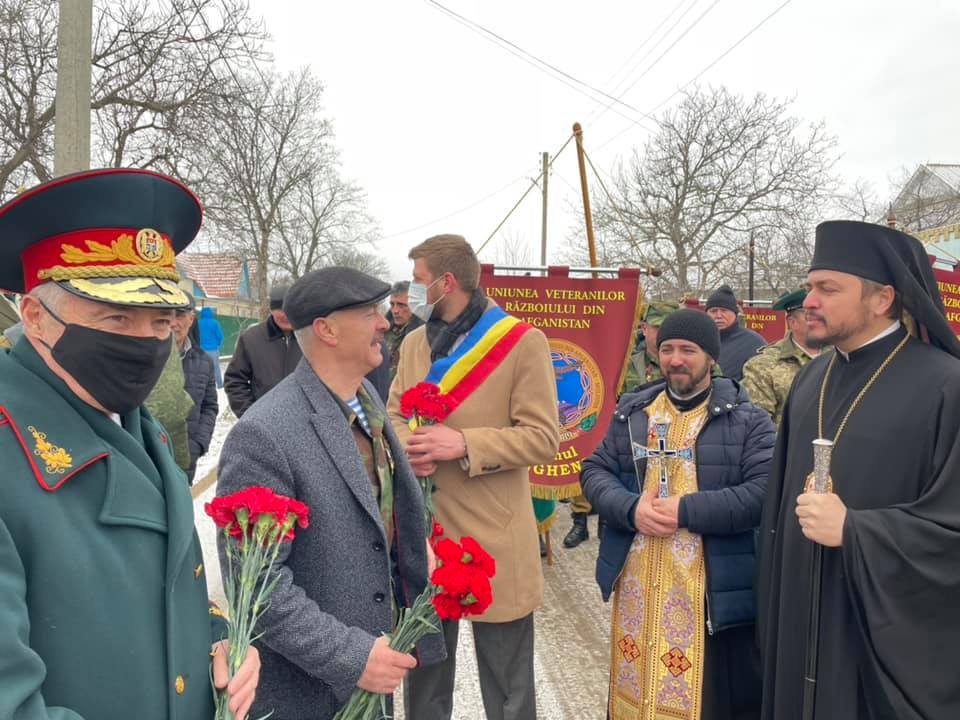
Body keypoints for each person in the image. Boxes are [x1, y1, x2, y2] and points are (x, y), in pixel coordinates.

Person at [0, 168, 259, 719]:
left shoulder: (143, 429)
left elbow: (159, 583)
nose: (145, 343)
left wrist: (220, 642)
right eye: (116, 315)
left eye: (162, 321)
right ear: (34, 317)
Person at [216, 266, 444, 720]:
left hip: (372, 670)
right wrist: (353, 657)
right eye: (368, 312)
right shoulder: (265, 434)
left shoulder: (365, 399)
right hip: (311, 693)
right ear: (327, 329)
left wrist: (410, 543)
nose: (384, 322)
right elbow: (256, 586)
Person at [758, 221, 960, 720]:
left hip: (881, 642)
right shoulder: (810, 379)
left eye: (828, 288)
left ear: (882, 298)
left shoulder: (945, 386)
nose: (809, 300)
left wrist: (857, 530)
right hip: (801, 615)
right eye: (809, 286)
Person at [387, 234, 560, 720]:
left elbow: (543, 437)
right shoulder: (417, 341)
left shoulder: (522, 341)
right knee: (424, 685)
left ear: (446, 282)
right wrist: (407, 447)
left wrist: (466, 444)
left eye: (419, 282)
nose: (412, 294)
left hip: (495, 535)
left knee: (510, 691)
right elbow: (395, 412)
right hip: (428, 534)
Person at [582, 308, 774, 720]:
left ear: (711, 356)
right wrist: (632, 508)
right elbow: (594, 472)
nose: (675, 359)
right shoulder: (634, 413)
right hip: (638, 582)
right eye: (667, 348)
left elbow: (763, 492)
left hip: (708, 590)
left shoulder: (748, 419)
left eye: (688, 349)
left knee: (709, 700)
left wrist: (686, 510)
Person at [565, 301, 683, 550]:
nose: (661, 333)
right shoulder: (625, 359)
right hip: (626, 434)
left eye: (667, 327)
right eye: (656, 327)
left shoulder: (683, 362)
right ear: (644, 328)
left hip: (673, 438)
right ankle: (584, 522)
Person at [741, 288, 822, 428]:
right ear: (792, 322)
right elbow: (757, 427)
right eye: (810, 315)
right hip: (789, 447)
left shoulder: (841, 355)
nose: (819, 320)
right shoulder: (763, 365)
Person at [224, 283, 302, 418]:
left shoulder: (312, 339)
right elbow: (235, 381)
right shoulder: (251, 339)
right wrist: (250, 416)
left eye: (290, 309)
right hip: (264, 423)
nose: (285, 315)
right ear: (271, 310)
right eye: (280, 309)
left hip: (304, 424)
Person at [170, 294, 218, 483]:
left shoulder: (203, 361)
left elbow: (209, 406)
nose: (173, 322)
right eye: (167, 315)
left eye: (180, 315)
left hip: (185, 458)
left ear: (191, 319)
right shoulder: (142, 358)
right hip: (145, 457)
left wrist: (197, 444)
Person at [144, 331, 194, 473]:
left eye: (161, 320)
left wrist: (195, 446)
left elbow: (175, 407)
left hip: (174, 460)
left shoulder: (166, 340)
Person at [705, 285, 765, 381]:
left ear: (735, 313)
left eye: (724, 310)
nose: (719, 315)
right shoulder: (697, 340)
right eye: (713, 311)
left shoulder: (754, 343)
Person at [385, 280, 423, 379]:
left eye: (402, 305)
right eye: (392, 304)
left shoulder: (425, 335)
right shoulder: (382, 332)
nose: (395, 311)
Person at [197, 304, 224, 387]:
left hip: (201, 350)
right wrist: (218, 345)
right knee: (216, 367)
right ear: (211, 313)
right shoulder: (215, 323)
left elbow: (195, 335)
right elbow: (220, 336)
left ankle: (201, 384)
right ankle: (219, 384)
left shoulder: (198, 323)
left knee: (201, 368)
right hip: (213, 349)